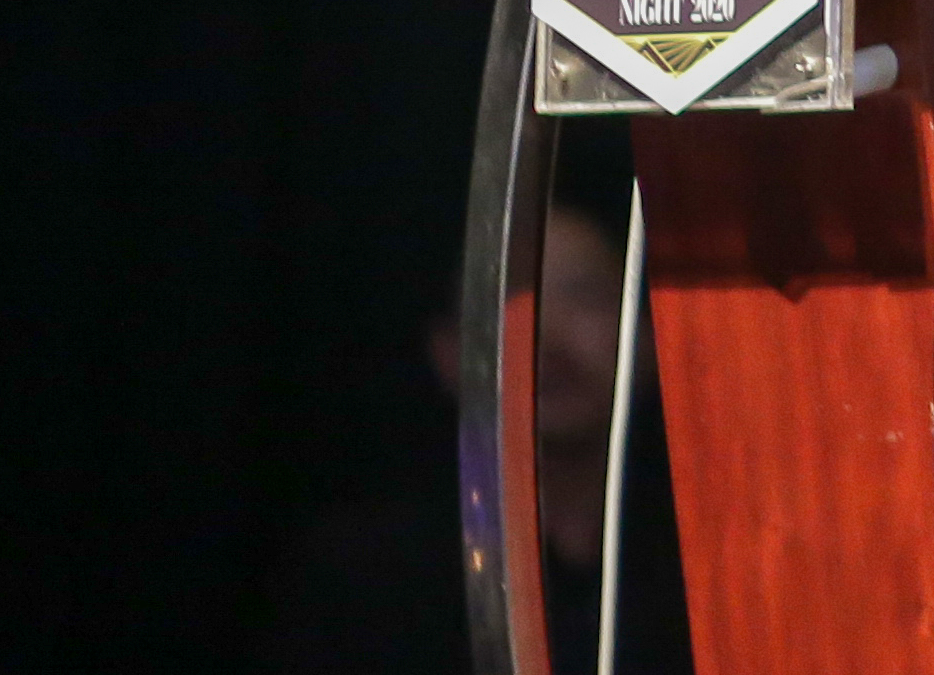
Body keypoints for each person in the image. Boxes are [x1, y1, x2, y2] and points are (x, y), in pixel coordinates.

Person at [252, 191, 686, 675]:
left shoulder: (704, 561)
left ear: (650, 336)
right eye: (511, 297)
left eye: (584, 296)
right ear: (447, 351)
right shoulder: (372, 574)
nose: (549, 334)